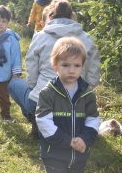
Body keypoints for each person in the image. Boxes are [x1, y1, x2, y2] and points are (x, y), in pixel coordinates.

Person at [8, 0, 100, 137]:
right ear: (71, 16)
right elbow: (93, 77)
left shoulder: (40, 37)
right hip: (77, 105)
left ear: (49, 17)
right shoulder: (87, 38)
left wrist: (34, 88)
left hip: (43, 101)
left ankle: (36, 121)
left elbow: (32, 76)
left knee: (14, 83)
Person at [36, 36, 100, 173]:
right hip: (54, 154)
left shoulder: (87, 94)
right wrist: (67, 141)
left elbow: (93, 119)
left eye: (76, 66)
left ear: (82, 66)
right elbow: (43, 121)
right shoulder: (48, 93)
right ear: (55, 66)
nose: (71, 70)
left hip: (80, 154)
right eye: (65, 65)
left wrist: (84, 139)